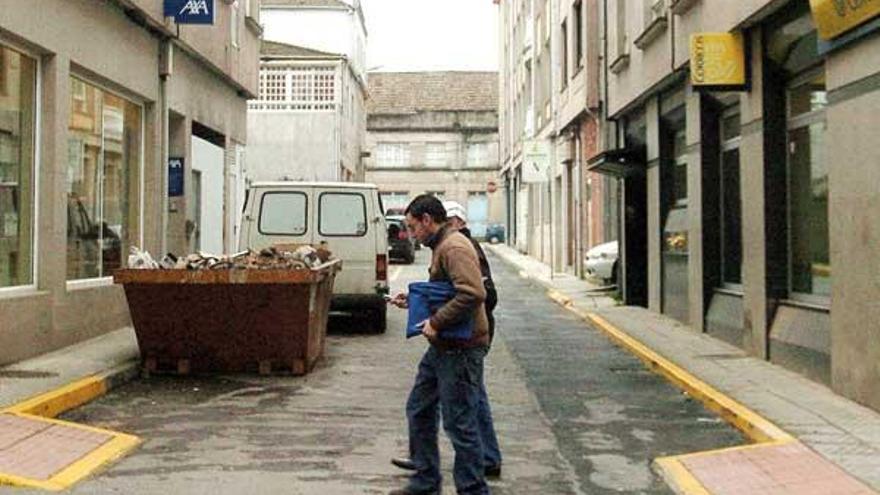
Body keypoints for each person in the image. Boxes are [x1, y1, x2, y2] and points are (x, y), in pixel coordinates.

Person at [387, 194, 491, 495]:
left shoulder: (454, 247)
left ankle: (472, 489)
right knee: (419, 408)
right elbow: (446, 292)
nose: (410, 233)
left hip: (461, 347)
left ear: (427, 220)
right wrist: (415, 302)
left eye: (412, 226)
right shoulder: (442, 245)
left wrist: (435, 322)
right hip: (444, 346)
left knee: (459, 423)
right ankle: (426, 480)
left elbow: (472, 293)